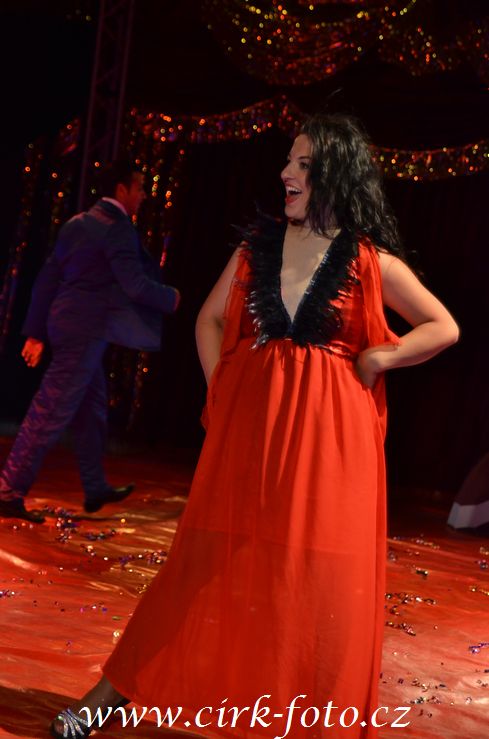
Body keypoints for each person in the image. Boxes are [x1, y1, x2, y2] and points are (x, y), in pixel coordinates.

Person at [50, 114, 458, 739]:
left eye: (303, 164)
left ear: (334, 176)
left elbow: (442, 326)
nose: (285, 173)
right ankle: (106, 698)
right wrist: (222, 387)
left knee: (319, 586)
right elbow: (209, 320)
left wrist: (383, 356)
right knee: (199, 566)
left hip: (332, 447)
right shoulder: (255, 251)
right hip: (251, 437)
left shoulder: (371, 262)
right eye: (289, 160)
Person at [0, 161, 180, 524]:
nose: (144, 195)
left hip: (67, 323)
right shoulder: (117, 228)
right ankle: (8, 490)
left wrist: (36, 332)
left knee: (91, 407)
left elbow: (48, 279)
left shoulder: (78, 222)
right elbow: (135, 285)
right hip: (86, 329)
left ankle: (95, 486)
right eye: (139, 187)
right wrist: (172, 298)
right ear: (121, 189)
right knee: (50, 410)